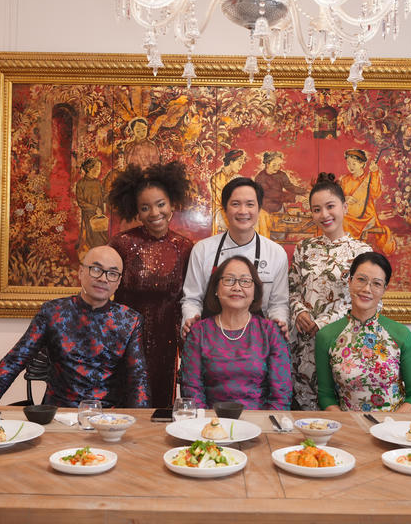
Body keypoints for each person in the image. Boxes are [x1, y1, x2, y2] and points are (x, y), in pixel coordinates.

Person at [0, 245, 150, 407]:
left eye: (112, 273)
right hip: (57, 414)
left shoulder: (130, 320)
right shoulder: (53, 312)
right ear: (81, 272)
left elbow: (138, 379)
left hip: (107, 418)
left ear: (118, 282)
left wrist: (141, 424)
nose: (103, 279)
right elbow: (13, 362)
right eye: (96, 269)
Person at [107, 161, 194, 408]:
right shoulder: (121, 244)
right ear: (136, 211)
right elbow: (103, 290)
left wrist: (186, 346)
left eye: (160, 204)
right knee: (126, 406)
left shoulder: (185, 247)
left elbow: (189, 299)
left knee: (160, 407)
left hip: (167, 342)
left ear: (172, 204)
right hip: (126, 339)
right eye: (145, 208)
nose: (154, 213)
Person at [288, 173, 372, 410]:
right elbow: (292, 289)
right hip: (305, 345)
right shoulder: (304, 248)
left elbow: (368, 300)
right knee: (306, 415)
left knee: (341, 412)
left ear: (344, 207)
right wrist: (299, 312)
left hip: (343, 343)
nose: (324, 214)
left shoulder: (362, 252)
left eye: (330, 206)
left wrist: (323, 322)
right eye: (317, 210)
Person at [315, 251, 411, 411]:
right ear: (350, 281)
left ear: (384, 290)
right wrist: (344, 421)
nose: (367, 289)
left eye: (376, 284)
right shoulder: (326, 336)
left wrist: (393, 422)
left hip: (393, 423)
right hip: (348, 423)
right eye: (361, 279)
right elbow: (326, 396)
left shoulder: (401, 334)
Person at [180, 256, 292, 409]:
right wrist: (208, 422)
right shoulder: (198, 332)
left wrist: (263, 421)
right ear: (215, 289)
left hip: (260, 420)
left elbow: (281, 395)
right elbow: (192, 391)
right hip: (210, 420)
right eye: (229, 280)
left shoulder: (270, 332)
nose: (237, 287)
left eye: (245, 281)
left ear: (255, 291)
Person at [182, 177, 289, 335]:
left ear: (259, 209)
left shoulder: (276, 253)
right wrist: (191, 320)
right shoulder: (202, 250)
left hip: (257, 339)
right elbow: (192, 299)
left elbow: (278, 304)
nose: (243, 211)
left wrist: (279, 322)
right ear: (224, 209)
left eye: (250, 204)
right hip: (210, 338)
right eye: (235, 204)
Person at [340, 149, 395, 253]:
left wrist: (374, 173)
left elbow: (376, 194)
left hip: (366, 217)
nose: (351, 166)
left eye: (354, 164)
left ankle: (350, 250)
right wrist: (344, 199)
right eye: (348, 164)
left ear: (362, 164)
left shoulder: (369, 177)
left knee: (342, 222)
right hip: (349, 214)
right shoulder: (345, 180)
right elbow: (338, 198)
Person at [209, 149, 246, 234]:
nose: (240, 167)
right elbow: (223, 201)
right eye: (239, 163)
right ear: (231, 162)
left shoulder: (237, 177)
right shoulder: (217, 178)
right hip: (221, 211)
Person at [75, 157, 108, 249]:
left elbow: (103, 196)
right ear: (89, 169)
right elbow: (80, 202)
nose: (99, 171)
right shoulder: (81, 184)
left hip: (101, 217)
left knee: (104, 238)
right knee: (94, 240)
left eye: (100, 168)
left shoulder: (98, 183)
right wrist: (94, 208)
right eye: (97, 168)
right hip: (89, 216)